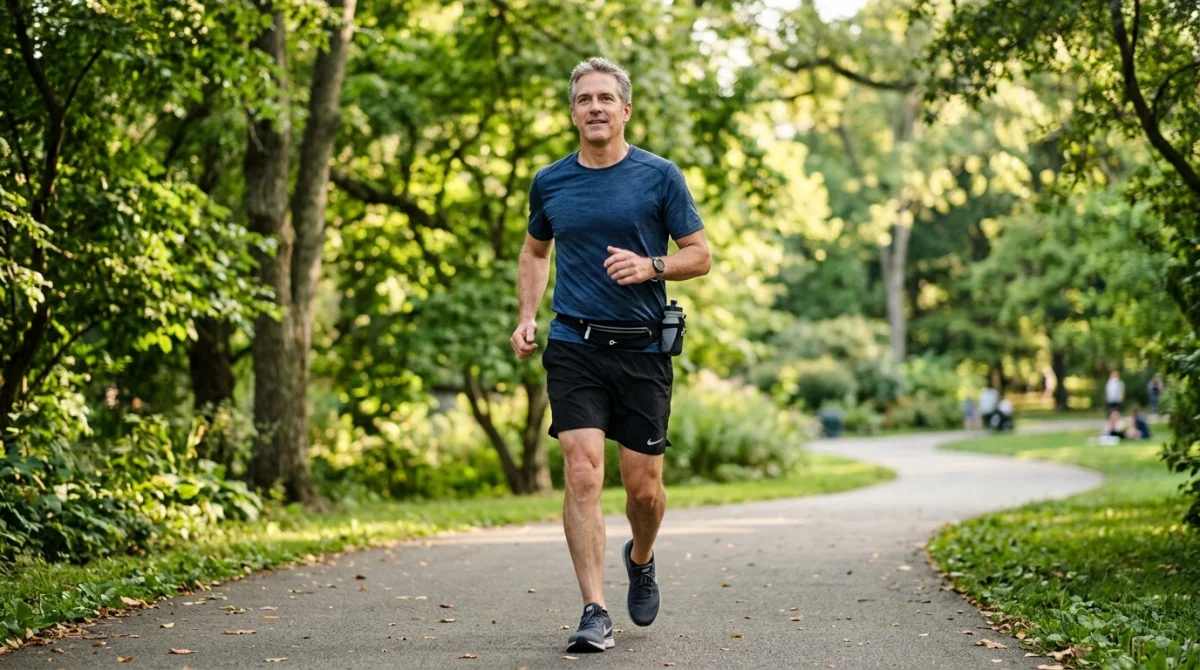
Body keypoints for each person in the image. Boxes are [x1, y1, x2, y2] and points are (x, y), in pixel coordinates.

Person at [509, 57, 711, 654]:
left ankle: (641, 556)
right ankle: (594, 609)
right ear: (573, 113)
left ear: (625, 110)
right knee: (581, 470)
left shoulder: (660, 176)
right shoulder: (551, 182)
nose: (594, 107)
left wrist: (652, 266)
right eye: (583, 99)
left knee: (643, 489)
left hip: (644, 349)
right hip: (574, 345)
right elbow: (534, 252)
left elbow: (700, 255)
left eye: (605, 98)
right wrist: (526, 316)